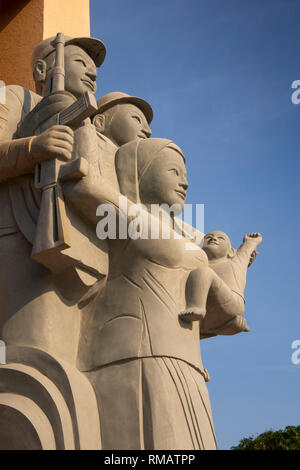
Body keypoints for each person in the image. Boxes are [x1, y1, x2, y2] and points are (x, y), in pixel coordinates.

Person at [67, 138, 248, 450]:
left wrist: (241, 256)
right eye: (173, 171)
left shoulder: (187, 239)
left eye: (185, 174)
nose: (185, 182)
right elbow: (83, 187)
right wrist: (85, 121)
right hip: (137, 355)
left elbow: (228, 309)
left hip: (187, 363)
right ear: (141, 172)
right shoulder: (132, 220)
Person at [179, 231, 262, 336]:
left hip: (231, 302)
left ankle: (197, 308)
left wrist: (251, 242)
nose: (213, 239)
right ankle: (222, 326)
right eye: (209, 237)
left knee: (204, 272)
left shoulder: (234, 262)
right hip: (208, 314)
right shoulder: (195, 265)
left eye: (220, 238)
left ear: (231, 252)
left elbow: (245, 253)